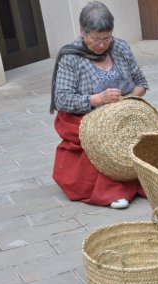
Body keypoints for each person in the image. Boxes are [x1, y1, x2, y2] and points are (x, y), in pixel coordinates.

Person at [50, 1, 148, 209]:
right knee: (103, 139)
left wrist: (129, 100)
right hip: (86, 116)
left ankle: (143, 180)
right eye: (96, 39)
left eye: (106, 38)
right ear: (82, 32)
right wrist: (98, 99)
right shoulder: (71, 57)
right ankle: (111, 190)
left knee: (143, 131)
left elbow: (141, 83)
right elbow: (62, 99)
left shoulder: (120, 47)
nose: (102, 45)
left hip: (123, 110)